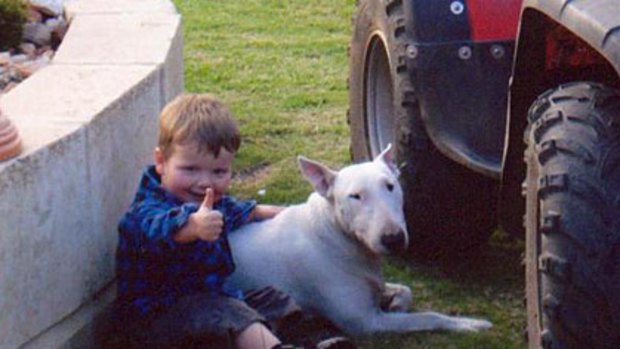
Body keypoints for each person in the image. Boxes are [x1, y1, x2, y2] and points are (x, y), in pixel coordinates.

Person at [113, 93, 356, 349]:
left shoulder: (213, 204)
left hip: (210, 310)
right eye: (190, 169)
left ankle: (319, 341)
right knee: (228, 311)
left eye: (218, 172)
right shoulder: (145, 212)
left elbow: (246, 210)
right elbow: (160, 230)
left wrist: (295, 215)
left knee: (271, 299)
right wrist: (193, 226)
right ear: (161, 162)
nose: (205, 181)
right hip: (154, 325)